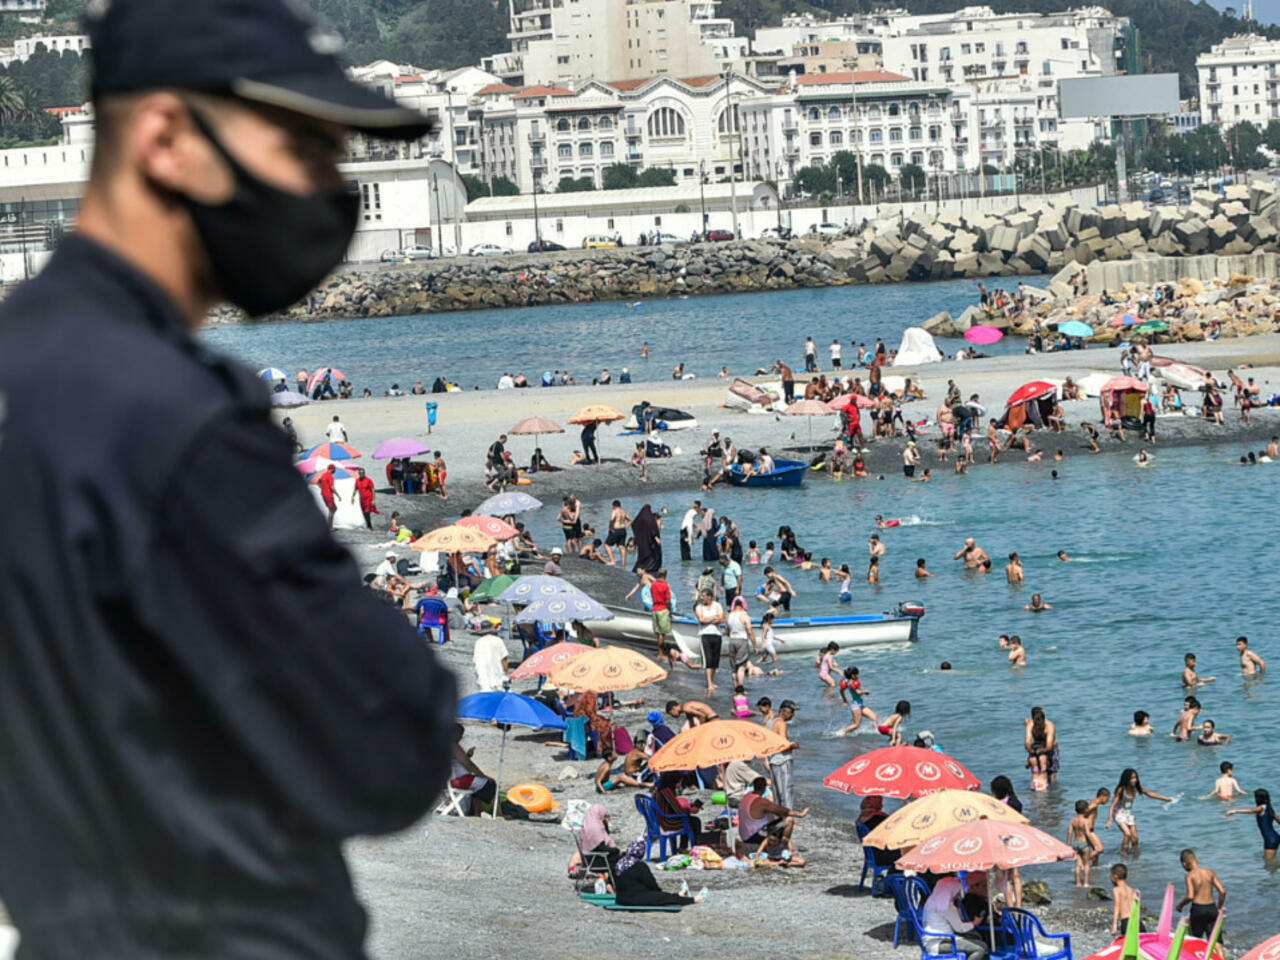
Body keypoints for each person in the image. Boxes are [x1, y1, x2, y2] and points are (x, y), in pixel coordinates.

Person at [0, 4, 460, 955]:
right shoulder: (172, 415)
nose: (328, 191)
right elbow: (389, 746)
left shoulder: (26, 368)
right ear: (166, 135)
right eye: (301, 149)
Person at [1107, 768, 1174, 856]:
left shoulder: (1136, 788)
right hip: (1119, 813)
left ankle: (1136, 856)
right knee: (1127, 834)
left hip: (1128, 814)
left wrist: (1166, 799)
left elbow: (1150, 794)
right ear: (1126, 779)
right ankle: (1123, 855)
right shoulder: (1121, 789)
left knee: (1135, 839)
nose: (1134, 780)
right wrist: (1110, 819)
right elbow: (1113, 805)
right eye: (1132, 778)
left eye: (1135, 778)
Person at [922, 877, 988, 960]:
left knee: (980, 944)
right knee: (979, 949)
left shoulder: (931, 901)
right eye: (958, 891)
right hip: (942, 943)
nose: (959, 894)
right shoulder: (947, 906)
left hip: (930, 942)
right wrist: (974, 923)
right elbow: (960, 928)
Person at [1176, 849, 1226, 939]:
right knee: (1216, 942)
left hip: (1198, 910)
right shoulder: (1210, 872)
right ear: (1196, 859)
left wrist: (1180, 905)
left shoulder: (1190, 875)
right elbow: (1222, 891)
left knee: (1195, 940)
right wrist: (1219, 907)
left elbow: (1190, 896)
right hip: (1212, 908)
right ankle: (1220, 953)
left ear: (1184, 864)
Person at [450, 724, 497, 816]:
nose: (461, 737)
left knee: (478, 785)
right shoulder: (455, 747)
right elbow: (468, 765)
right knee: (490, 783)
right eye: (460, 735)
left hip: (453, 779)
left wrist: (468, 755)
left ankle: (477, 812)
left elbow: (459, 761)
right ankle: (498, 813)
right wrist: (482, 775)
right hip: (459, 780)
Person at [765, 700, 799, 809]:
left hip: (773, 760)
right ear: (784, 711)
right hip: (783, 761)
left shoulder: (770, 722)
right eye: (792, 712)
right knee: (786, 790)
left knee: (777, 791)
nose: (793, 714)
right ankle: (788, 816)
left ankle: (779, 817)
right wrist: (794, 745)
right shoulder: (781, 723)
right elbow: (784, 745)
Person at [694, 588, 725, 695]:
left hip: (717, 634)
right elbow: (701, 620)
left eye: (704, 596)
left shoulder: (717, 605)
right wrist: (713, 618)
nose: (702, 598)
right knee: (708, 659)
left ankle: (712, 680)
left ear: (710, 597)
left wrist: (709, 619)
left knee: (715, 660)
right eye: (701, 596)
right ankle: (709, 683)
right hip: (704, 635)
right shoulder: (699, 607)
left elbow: (721, 618)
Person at [839, 666, 879, 734]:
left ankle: (876, 731)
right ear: (853, 675)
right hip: (856, 706)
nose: (859, 675)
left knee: (874, 717)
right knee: (856, 725)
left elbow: (841, 691)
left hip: (860, 705)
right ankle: (841, 733)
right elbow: (858, 692)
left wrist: (845, 700)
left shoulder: (848, 682)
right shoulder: (852, 683)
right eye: (858, 674)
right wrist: (865, 691)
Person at [1110, 865, 1141, 937]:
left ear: (1115, 876)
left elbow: (1117, 906)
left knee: (1127, 945)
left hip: (1126, 922)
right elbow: (1137, 908)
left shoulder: (1117, 890)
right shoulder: (1132, 890)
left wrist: (1114, 924)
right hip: (1137, 922)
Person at [1068, 800, 1094, 886]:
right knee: (1086, 864)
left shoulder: (1073, 820)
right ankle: (1086, 883)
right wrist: (1093, 844)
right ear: (1086, 810)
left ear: (1075, 809)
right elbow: (1087, 833)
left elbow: (1070, 832)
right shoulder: (1085, 821)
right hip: (1084, 844)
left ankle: (1078, 883)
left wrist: (1068, 843)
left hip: (1076, 843)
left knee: (1077, 865)